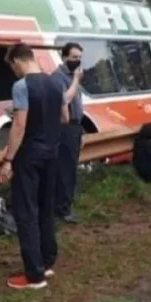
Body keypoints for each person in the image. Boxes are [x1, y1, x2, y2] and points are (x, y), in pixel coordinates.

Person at [0, 43, 69, 290]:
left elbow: (19, 126)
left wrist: (8, 160)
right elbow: (65, 118)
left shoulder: (21, 86)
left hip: (29, 156)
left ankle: (34, 275)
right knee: (45, 208)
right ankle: (47, 262)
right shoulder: (55, 82)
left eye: (12, 67)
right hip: (52, 154)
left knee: (26, 212)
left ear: (16, 61)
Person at [51, 42, 85, 225]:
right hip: (64, 128)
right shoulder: (58, 77)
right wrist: (76, 81)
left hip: (75, 127)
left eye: (79, 58)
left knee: (70, 168)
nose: (77, 61)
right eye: (74, 57)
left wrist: (82, 131)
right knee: (64, 169)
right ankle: (62, 209)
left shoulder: (74, 77)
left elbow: (79, 104)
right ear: (64, 57)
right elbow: (64, 99)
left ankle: (65, 205)